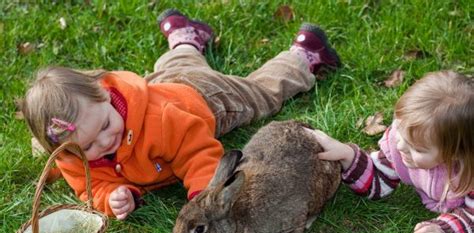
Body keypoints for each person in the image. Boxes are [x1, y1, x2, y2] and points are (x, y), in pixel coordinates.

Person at [22, 9, 341, 219]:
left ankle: (304, 56)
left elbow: (198, 155)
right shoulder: (71, 155)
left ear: (105, 93)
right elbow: (92, 188)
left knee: (261, 93)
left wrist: (205, 195)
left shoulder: (162, 123)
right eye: (89, 146)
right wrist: (113, 197)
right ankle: (185, 38)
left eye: (106, 125)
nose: (105, 141)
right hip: (163, 86)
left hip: (206, 99)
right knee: (175, 68)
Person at [312, 71, 473, 233]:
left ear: (455, 155)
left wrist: (445, 231)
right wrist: (347, 155)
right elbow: (379, 178)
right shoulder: (402, 142)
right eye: (401, 133)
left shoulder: (468, 174)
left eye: (418, 149)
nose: (401, 147)